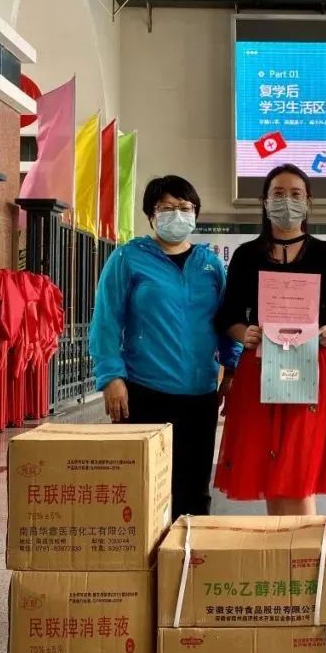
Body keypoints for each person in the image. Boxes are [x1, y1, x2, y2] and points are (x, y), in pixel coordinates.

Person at [89, 175, 240, 518]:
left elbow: (226, 321)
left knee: (194, 491)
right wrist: (111, 377)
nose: (177, 214)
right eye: (167, 208)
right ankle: (146, 554)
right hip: (144, 391)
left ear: (196, 213)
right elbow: (106, 321)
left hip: (200, 394)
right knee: (142, 491)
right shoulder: (128, 258)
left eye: (185, 207)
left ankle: (188, 552)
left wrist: (232, 371)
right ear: (150, 215)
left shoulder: (210, 264)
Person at [214, 165, 326, 516]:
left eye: (295, 194)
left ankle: (303, 544)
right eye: (278, 193)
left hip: (311, 365)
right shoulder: (247, 255)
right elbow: (228, 315)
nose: (286, 201)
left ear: (308, 201)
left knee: (299, 462)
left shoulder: (323, 253)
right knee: (271, 461)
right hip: (262, 364)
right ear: (264, 201)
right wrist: (244, 333)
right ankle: (283, 541)